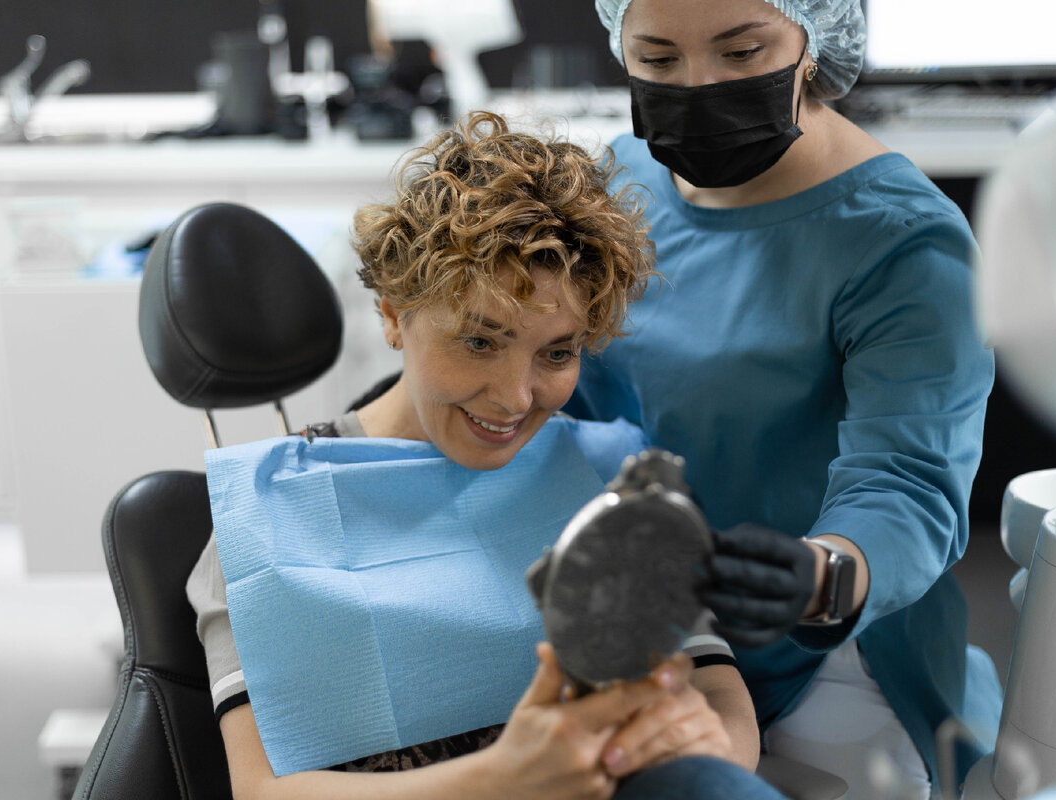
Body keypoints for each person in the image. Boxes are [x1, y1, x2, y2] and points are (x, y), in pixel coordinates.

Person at [187, 111, 789, 800]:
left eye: (557, 353)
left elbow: (716, 688)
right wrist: (501, 780)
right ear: (394, 313)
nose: (514, 398)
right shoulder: (265, 523)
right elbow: (263, 793)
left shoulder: (609, 478)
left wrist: (711, 752)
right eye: (479, 342)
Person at [570, 1, 1004, 797]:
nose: (698, 86)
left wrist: (822, 577)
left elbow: (908, 483)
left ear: (813, 41)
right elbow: (566, 382)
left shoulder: (902, 242)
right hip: (648, 610)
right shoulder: (618, 180)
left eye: (741, 53)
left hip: (832, 654)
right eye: (658, 60)